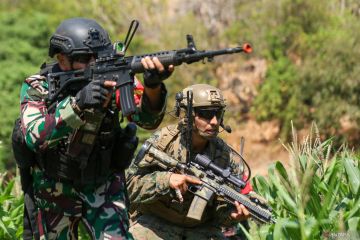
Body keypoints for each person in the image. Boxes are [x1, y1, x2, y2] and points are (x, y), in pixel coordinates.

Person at [19, 17, 174, 240]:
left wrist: (153, 88)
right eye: (84, 58)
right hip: (55, 187)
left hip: (104, 184)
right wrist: (77, 104)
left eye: (98, 56)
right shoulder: (38, 86)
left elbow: (148, 121)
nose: (93, 63)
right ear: (62, 59)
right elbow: (34, 136)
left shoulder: (114, 76)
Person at [127, 84, 252, 240]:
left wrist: (232, 216)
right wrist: (166, 180)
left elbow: (219, 212)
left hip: (200, 229)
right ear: (188, 115)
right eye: (206, 114)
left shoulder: (223, 154)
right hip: (156, 225)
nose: (214, 121)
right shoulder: (164, 142)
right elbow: (129, 186)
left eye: (218, 113)